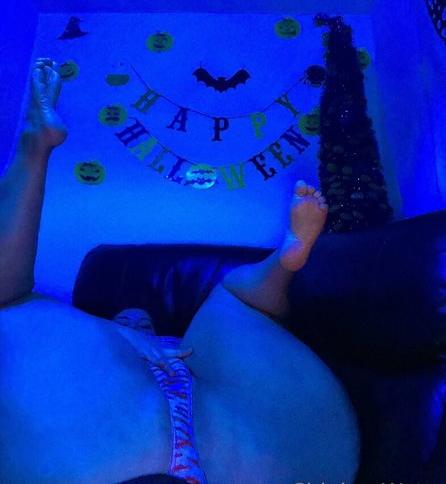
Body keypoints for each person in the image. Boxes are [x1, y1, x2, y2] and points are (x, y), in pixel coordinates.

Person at [0, 58, 360, 484]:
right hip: (205, 451)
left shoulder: (188, 350)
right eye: (127, 322)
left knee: (242, 309)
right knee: (241, 305)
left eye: (141, 321)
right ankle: (285, 259)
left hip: (209, 424)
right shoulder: (101, 350)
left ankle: (284, 260)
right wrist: (125, 340)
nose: (136, 321)